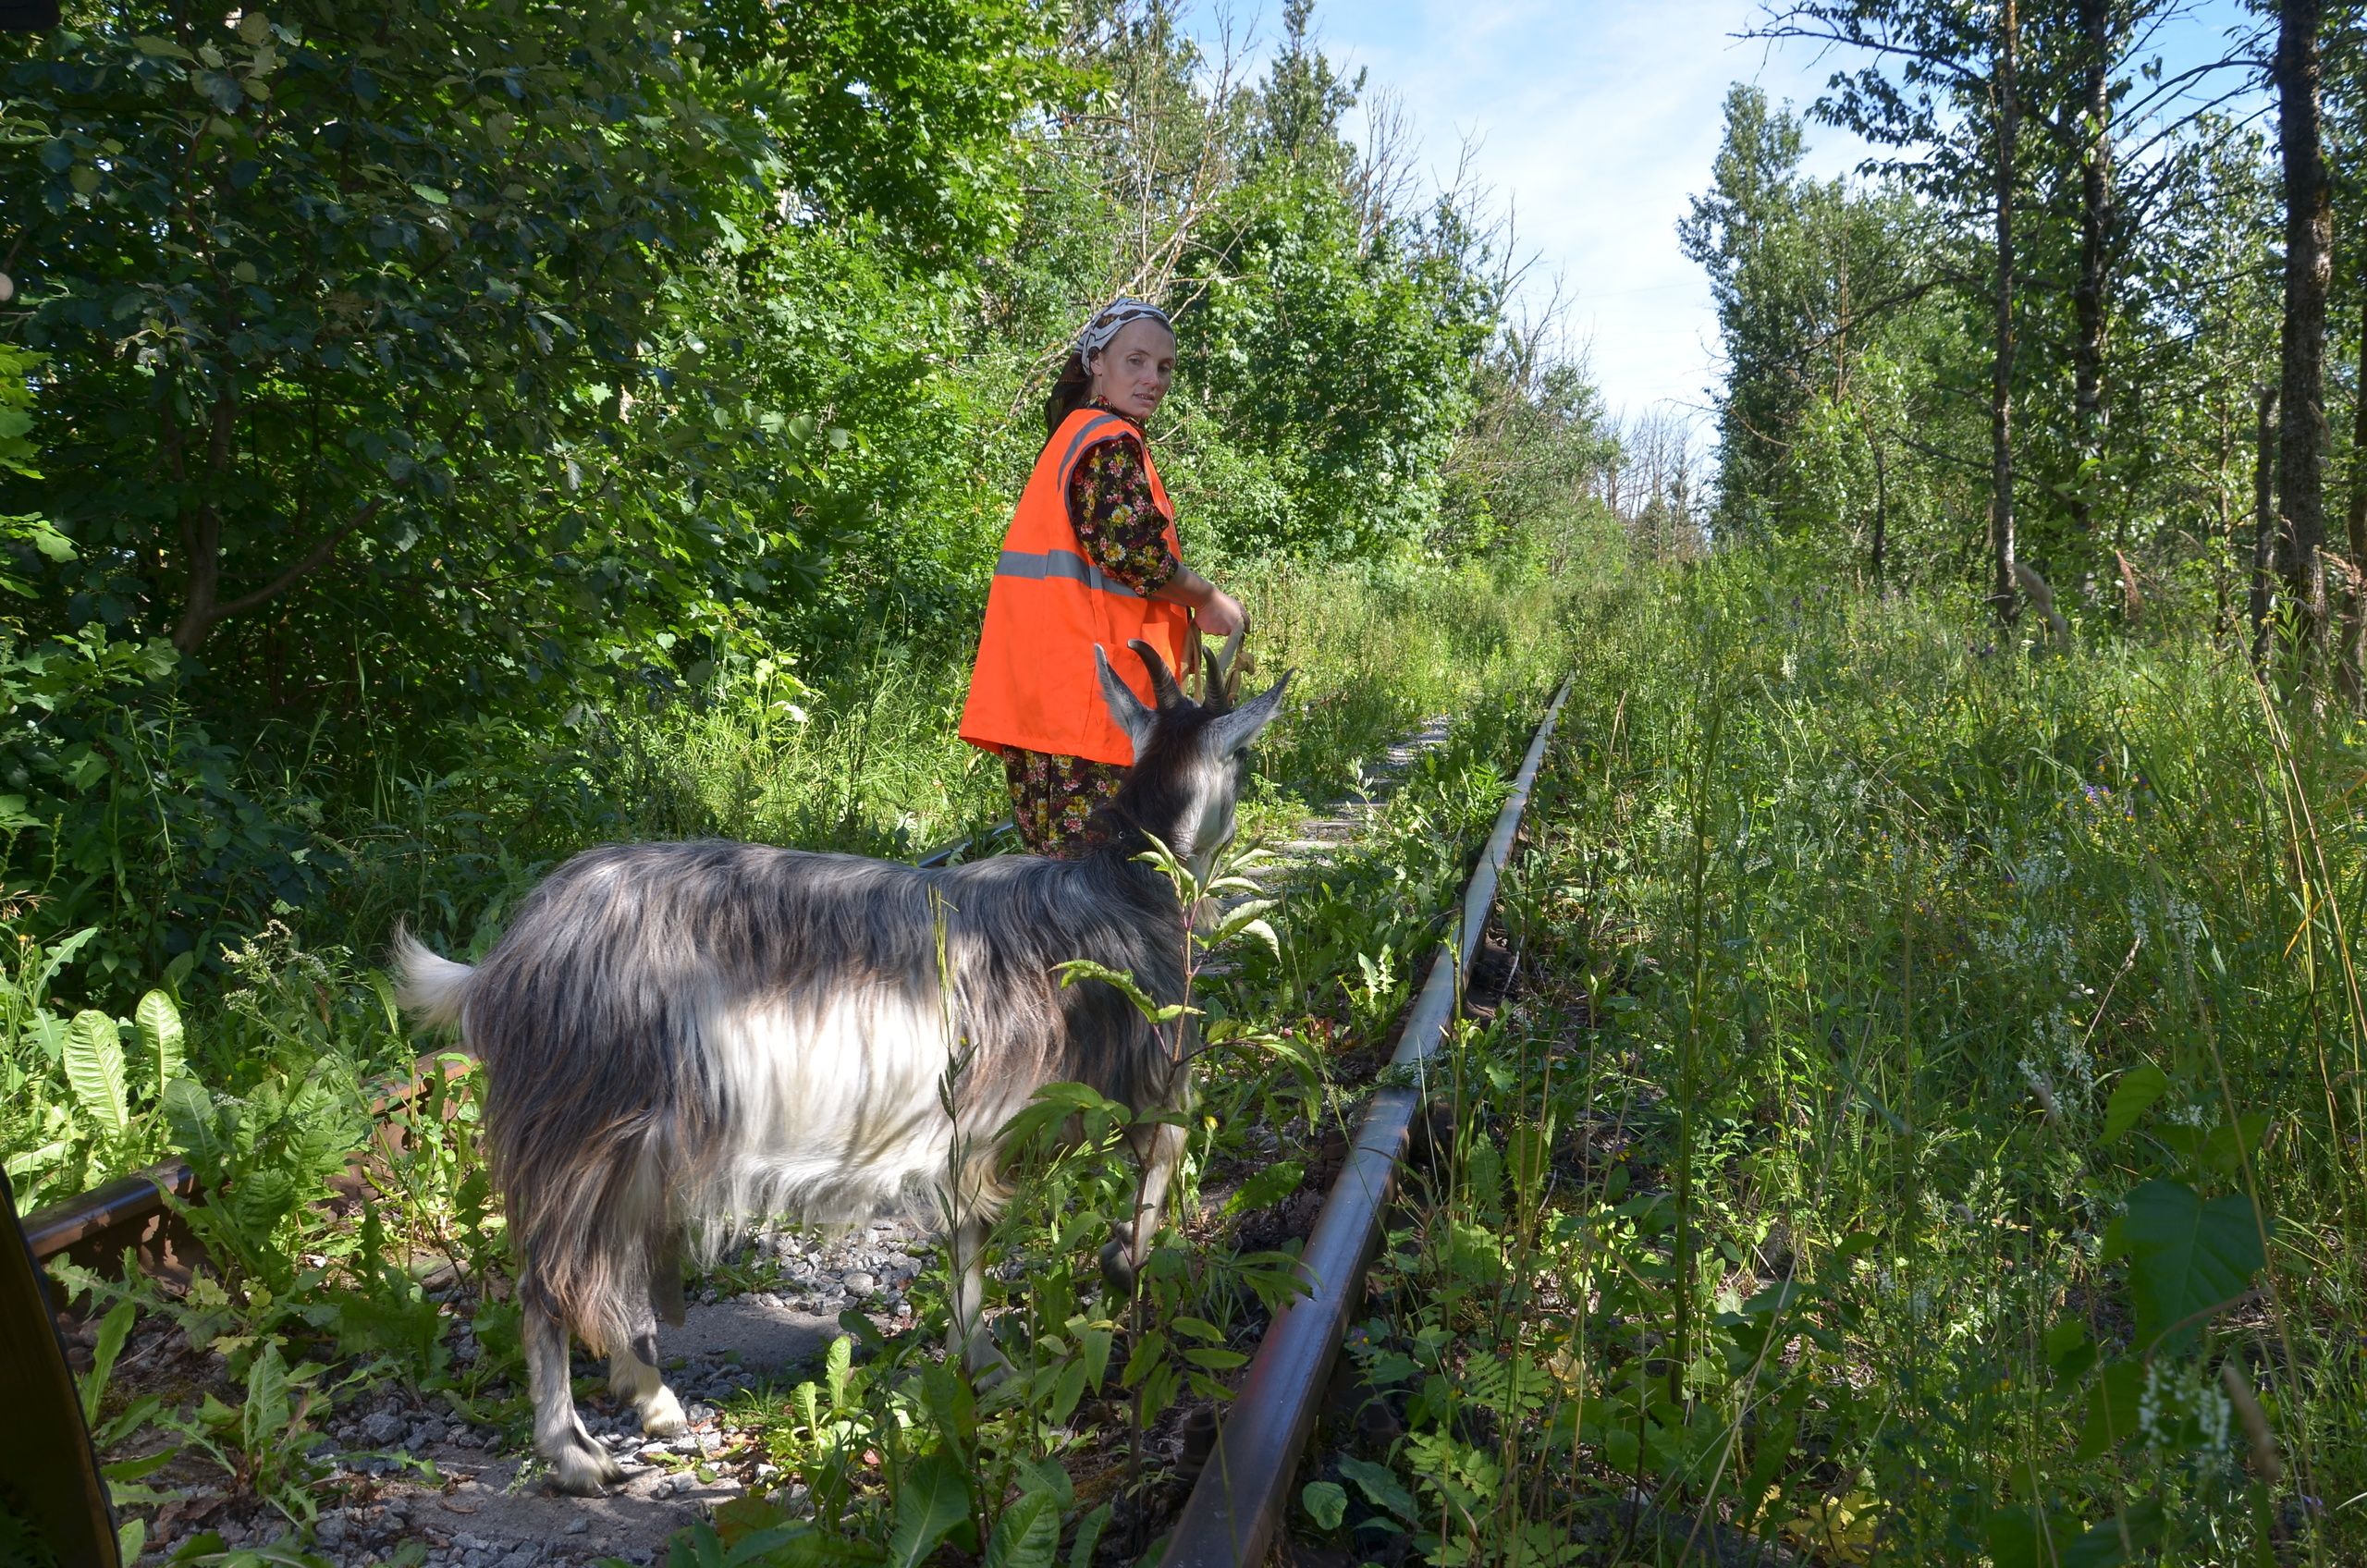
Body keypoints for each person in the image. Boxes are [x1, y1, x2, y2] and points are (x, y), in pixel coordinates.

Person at [960, 299, 1246, 857]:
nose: (1152, 379)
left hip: (1051, 698)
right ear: (1097, 363)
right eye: (1135, 361)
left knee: (1058, 883)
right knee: (1098, 889)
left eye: (1164, 368)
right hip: (1096, 704)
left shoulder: (1076, 436)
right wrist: (1209, 600)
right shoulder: (1110, 443)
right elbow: (1133, 551)